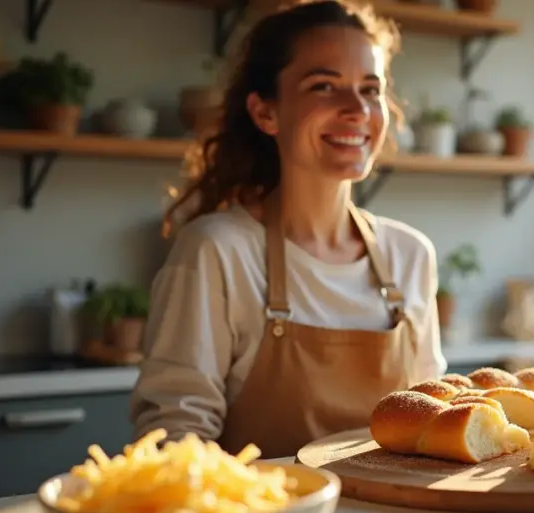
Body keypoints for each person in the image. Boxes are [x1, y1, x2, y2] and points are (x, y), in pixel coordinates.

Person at [129, 0, 447, 459]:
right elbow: (176, 433)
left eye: (370, 89)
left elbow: (429, 420)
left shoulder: (410, 254)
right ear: (266, 113)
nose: (357, 109)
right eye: (324, 86)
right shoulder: (218, 251)